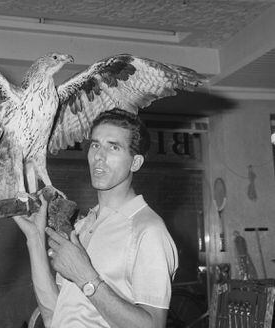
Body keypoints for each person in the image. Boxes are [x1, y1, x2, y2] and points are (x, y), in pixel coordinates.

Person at [14, 108, 178, 328]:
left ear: (135, 163)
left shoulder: (149, 230)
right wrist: (34, 240)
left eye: (114, 147)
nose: (99, 157)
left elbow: (154, 326)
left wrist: (85, 277)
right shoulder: (82, 226)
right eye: (95, 145)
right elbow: (55, 315)